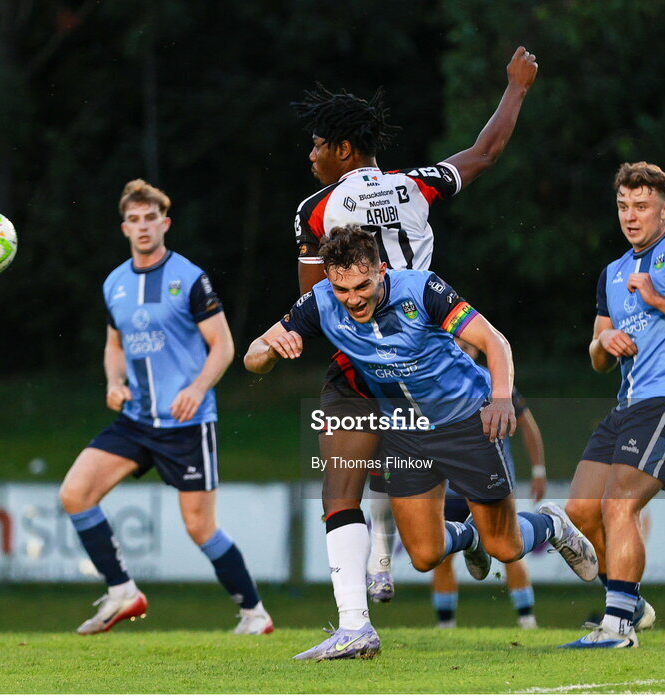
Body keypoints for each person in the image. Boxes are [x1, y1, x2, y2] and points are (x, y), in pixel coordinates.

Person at [290, 45, 540, 656]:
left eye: (319, 144)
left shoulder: (316, 210)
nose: (312, 154)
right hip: (430, 357)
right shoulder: (415, 186)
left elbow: (320, 305)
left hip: (361, 366)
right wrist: (515, 88)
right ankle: (368, 597)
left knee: (340, 491)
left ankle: (356, 623)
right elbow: (485, 153)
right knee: (418, 539)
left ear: (344, 150)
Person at [245, 225, 597, 659]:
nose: (353, 298)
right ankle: (465, 539)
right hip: (406, 431)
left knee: (504, 546)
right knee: (425, 555)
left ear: (381, 269)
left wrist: (502, 399)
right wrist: (270, 349)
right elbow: (252, 357)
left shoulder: (422, 289)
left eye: (362, 285)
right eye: (341, 289)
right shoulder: (320, 303)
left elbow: (494, 341)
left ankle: (552, 524)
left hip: (466, 420)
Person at [59, 179, 272, 636]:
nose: (142, 227)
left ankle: (254, 613)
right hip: (136, 420)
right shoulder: (114, 283)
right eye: (133, 220)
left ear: (165, 223)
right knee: (74, 494)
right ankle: (121, 592)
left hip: (187, 423)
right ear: (124, 227)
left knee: (200, 528)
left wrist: (197, 388)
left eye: (150, 218)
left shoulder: (190, 278)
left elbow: (223, 346)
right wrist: (114, 382)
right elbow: (114, 344)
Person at [560, 162, 665, 649]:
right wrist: (605, 341)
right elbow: (596, 355)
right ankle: (629, 600)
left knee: (619, 503)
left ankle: (617, 628)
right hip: (627, 406)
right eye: (623, 207)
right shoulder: (612, 272)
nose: (631, 217)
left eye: (641, 207)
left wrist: (656, 299)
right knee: (579, 513)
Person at [431, 340, 547, 629]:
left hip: (489, 481)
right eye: (458, 345)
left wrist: (539, 470)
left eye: (469, 347)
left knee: (509, 547)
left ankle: (527, 619)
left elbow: (527, 426)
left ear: (478, 351)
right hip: (450, 486)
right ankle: (445, 626)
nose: (463, 351)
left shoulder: (494, 383)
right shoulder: (435, 383)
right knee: (440, 552)